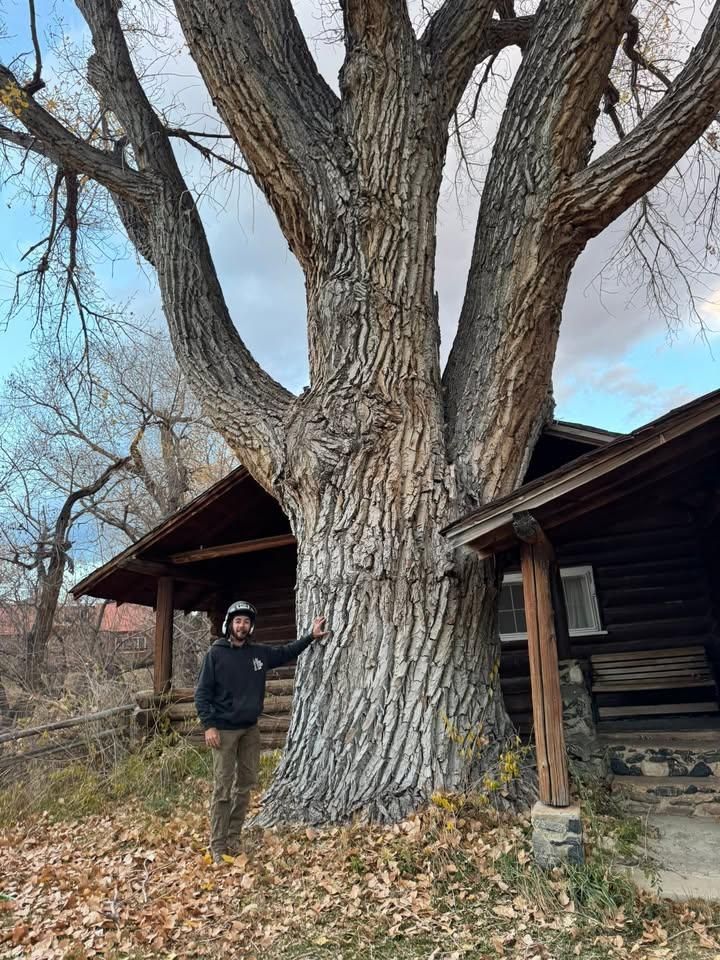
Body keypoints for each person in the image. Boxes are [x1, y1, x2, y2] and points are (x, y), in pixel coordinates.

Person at [195, 599, 328, 862]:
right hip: (223, 732)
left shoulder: (258, 654)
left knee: (244, 787)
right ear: (229, 625)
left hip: (250, 731)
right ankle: (218, 846)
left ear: (251, 626)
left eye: (246, 621)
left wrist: (310, 637)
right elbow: (202, 694)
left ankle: (233, 839)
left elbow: (286, 651)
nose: (242, 625)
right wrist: (209, 725)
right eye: (237, 621)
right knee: (222, 790)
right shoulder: (216, 654)